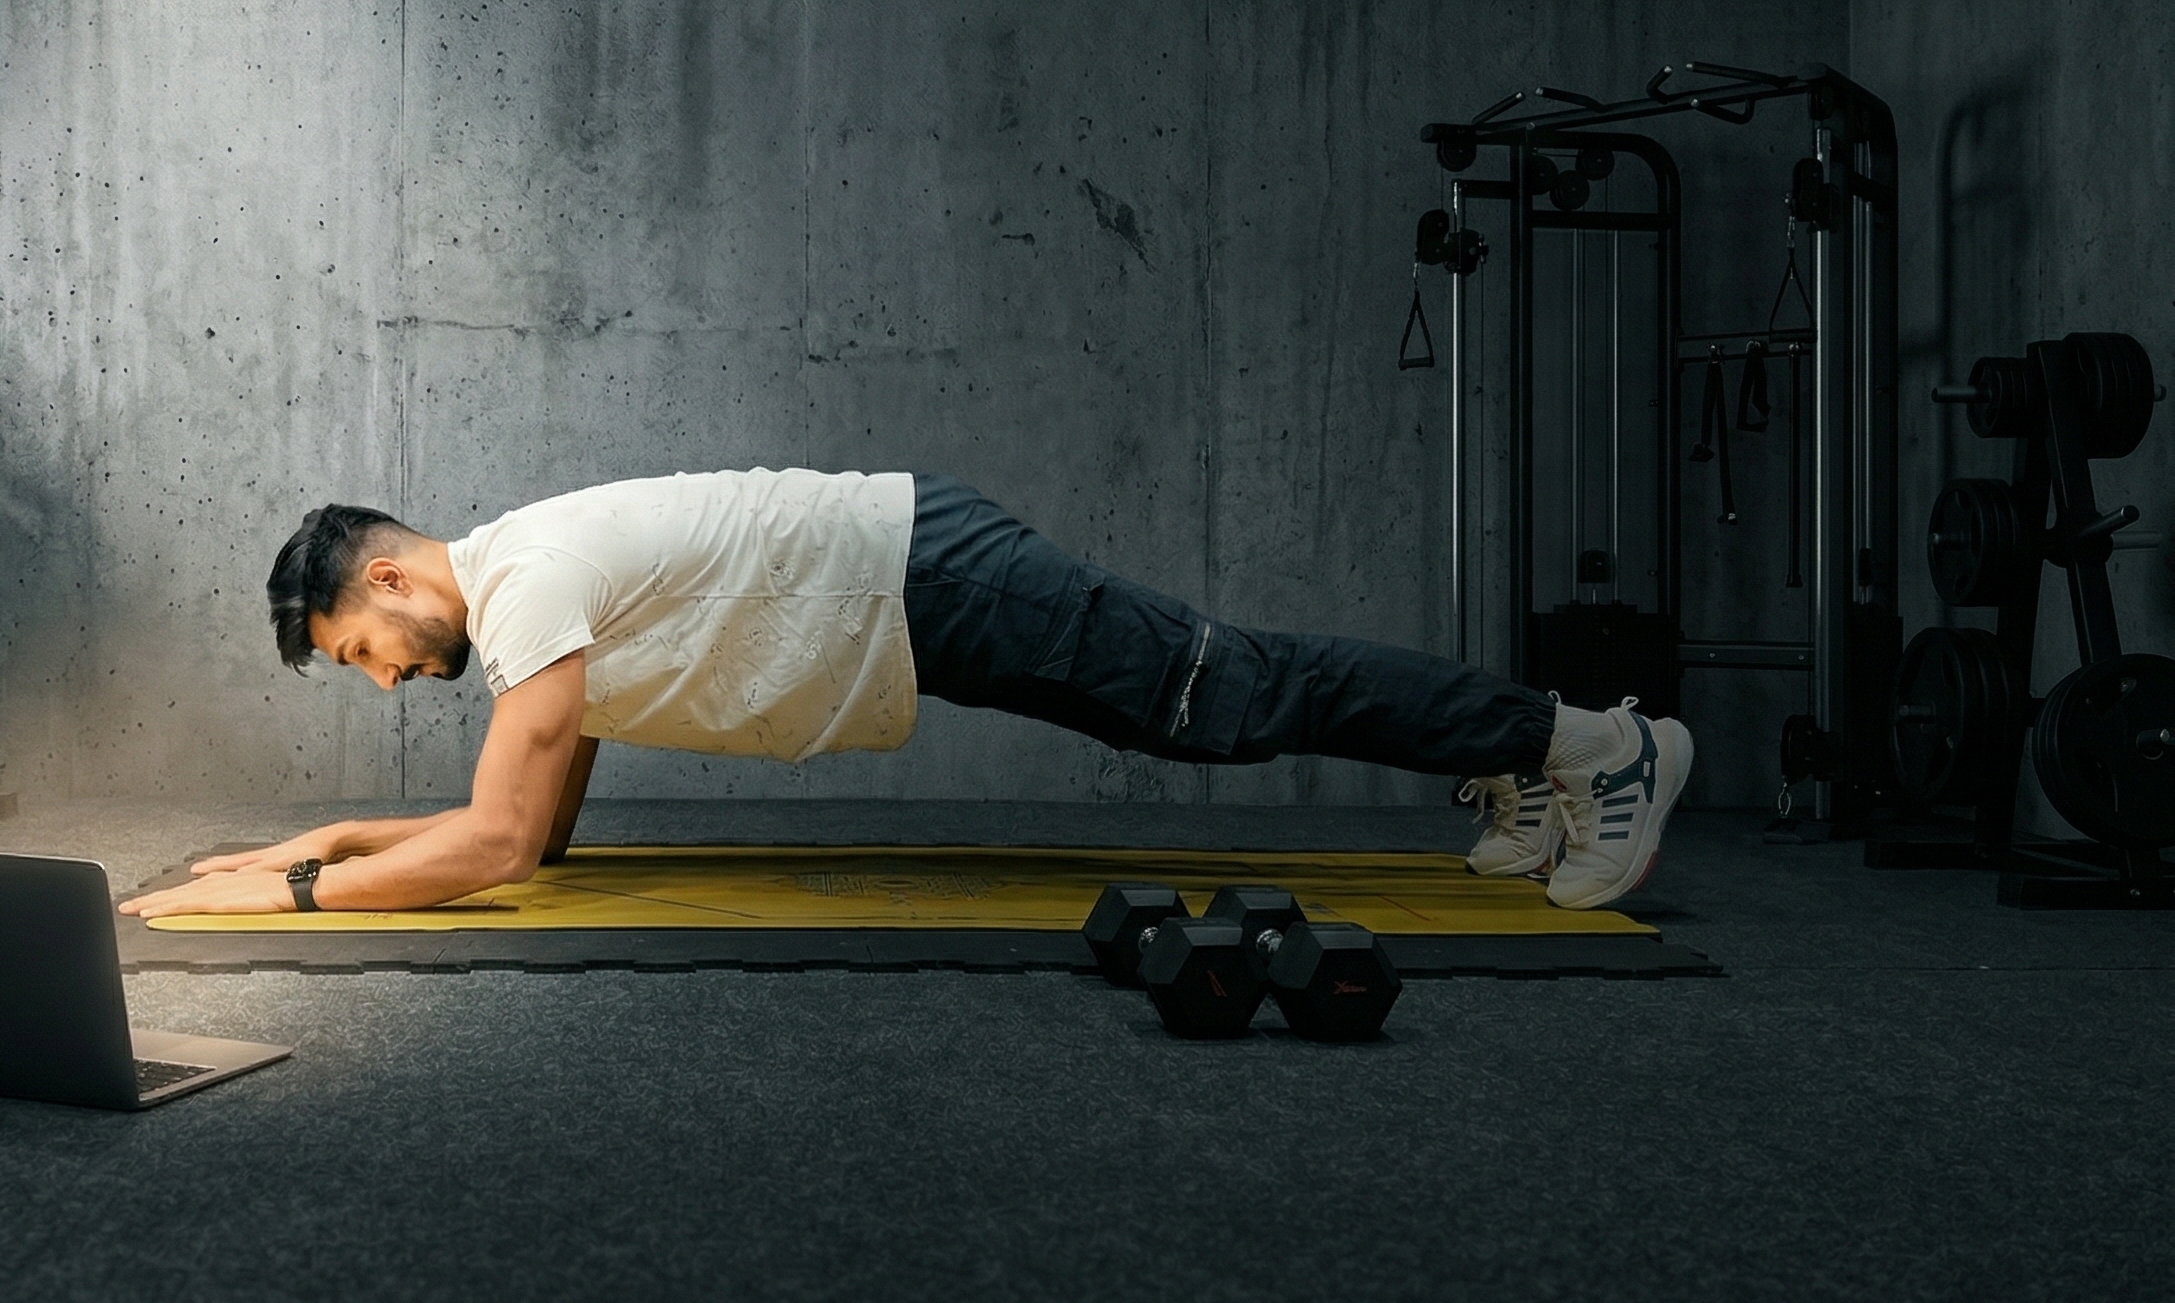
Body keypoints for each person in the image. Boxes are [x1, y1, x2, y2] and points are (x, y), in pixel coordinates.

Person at [115, 470, 1688, 920]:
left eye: (360, 651)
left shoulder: (527, 588)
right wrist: (322, 839)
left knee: (1228, 698)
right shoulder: (533, 601)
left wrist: (288, 891)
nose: (384, 679)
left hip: (926, 577)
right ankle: (1528, 766)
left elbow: (503, 847)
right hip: (915, 597)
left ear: (394, 580)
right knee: (1211, 712)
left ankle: (1596, 747)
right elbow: (535, 829)